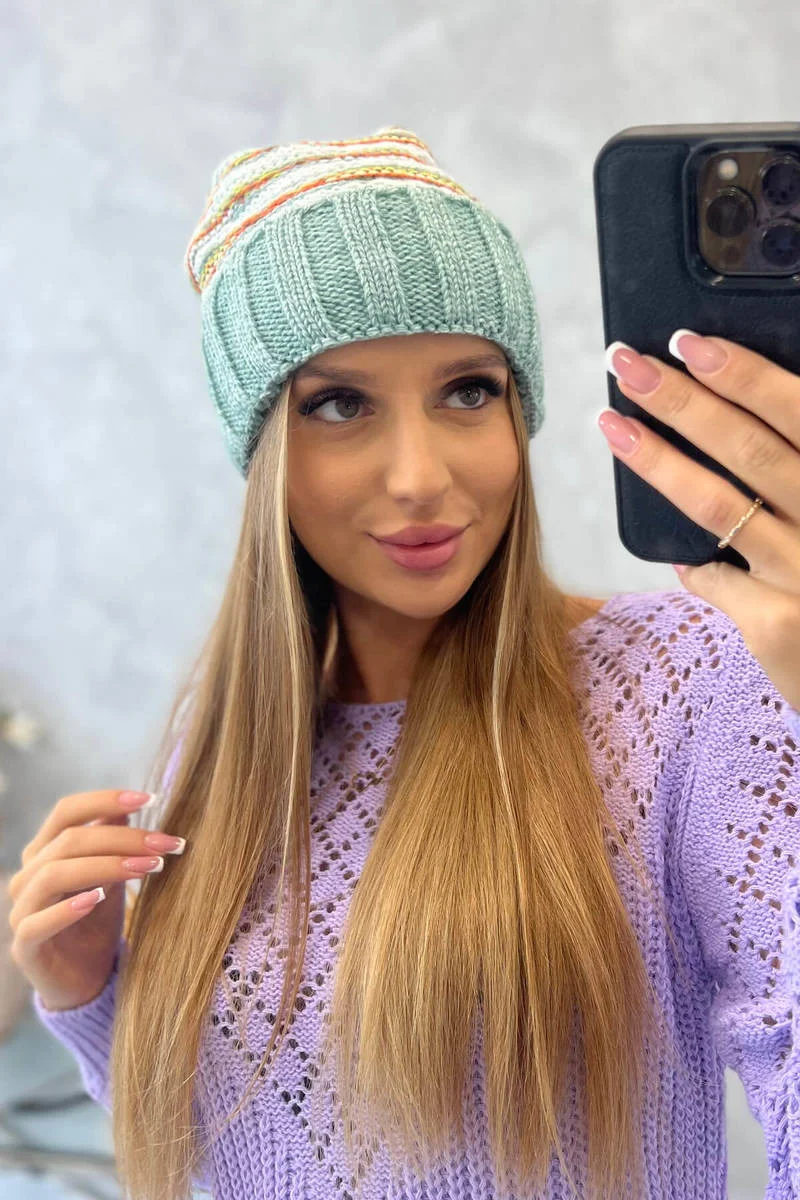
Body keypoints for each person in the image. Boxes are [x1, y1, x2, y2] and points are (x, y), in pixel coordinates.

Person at [8, 126, 800, 1200]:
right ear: (262, 453)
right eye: (339, 404)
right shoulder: (222, 744)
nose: (420, 476)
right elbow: (249, 1138)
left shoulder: (684, 684)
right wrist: (91, 992)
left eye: (468, 390)